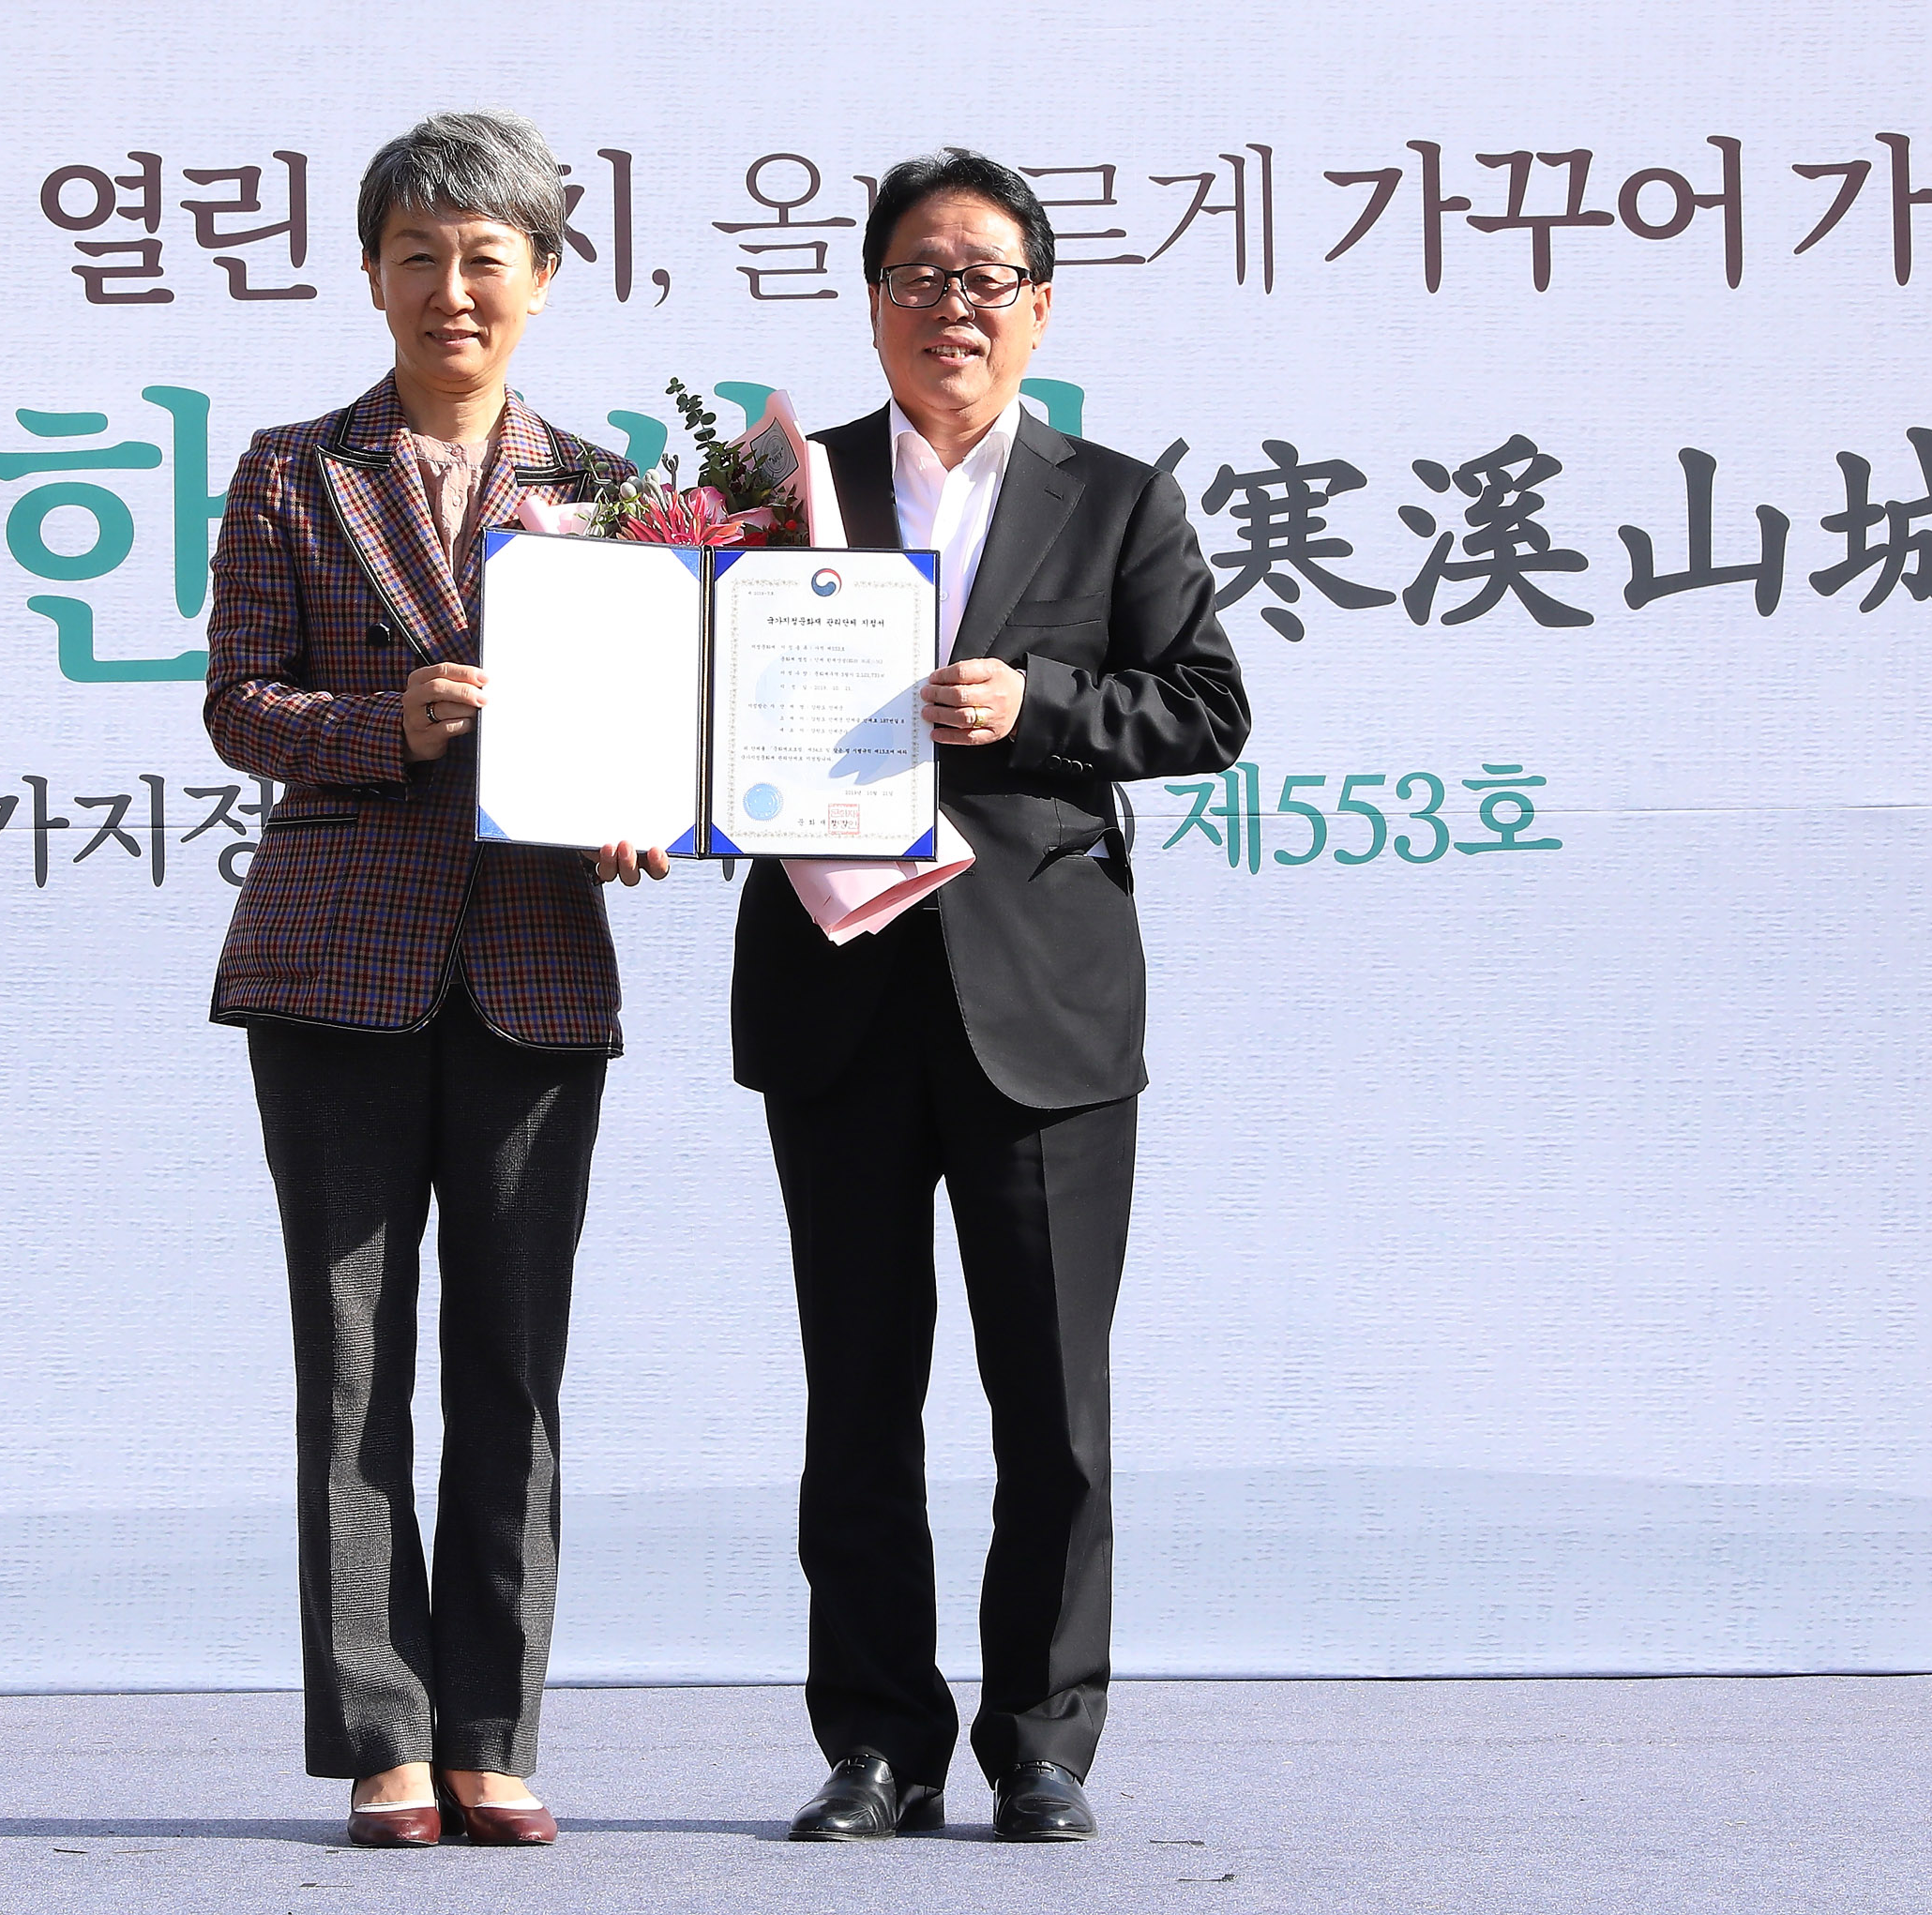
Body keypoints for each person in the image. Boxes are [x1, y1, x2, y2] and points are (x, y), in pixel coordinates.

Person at [729, 148, 1249, 1845]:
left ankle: (1043, 1741)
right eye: (918, 274)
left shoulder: (1118, 499)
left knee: (1054, 1403)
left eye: (984, 277)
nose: (951, 305)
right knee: (856, 1397)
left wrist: (1038, 703)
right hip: (839, 991)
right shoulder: (777, 487)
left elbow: (1207, 707)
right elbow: (694, 692)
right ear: (871, 299)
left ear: (1039, 308)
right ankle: (877, 1740)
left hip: (1046, 1005)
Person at [204, 110, 667, 1849]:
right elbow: (239, 700)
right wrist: (380, 722)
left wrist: (649, 806)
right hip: (334, 965)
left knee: (516, 1366)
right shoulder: (291, 470)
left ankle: (491, 1725)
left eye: (486, 258)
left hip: (536, 967)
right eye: (419, 256)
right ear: (372, 273)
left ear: (542, 277)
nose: (451, 288)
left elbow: (660, 720)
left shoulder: (623, 494)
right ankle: (382, 1731)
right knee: (351, 1365)